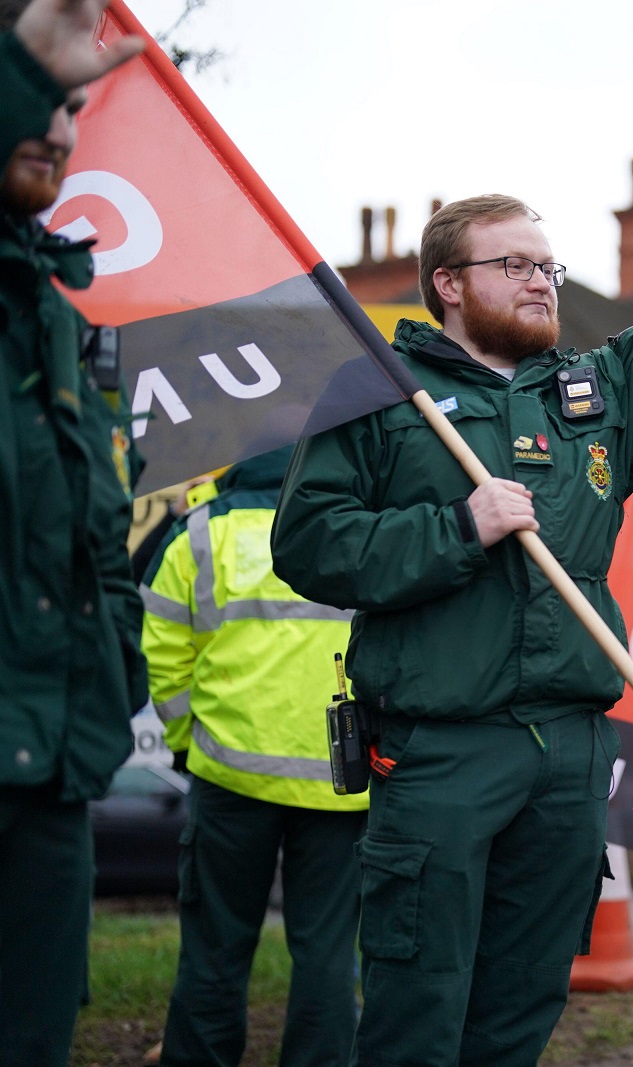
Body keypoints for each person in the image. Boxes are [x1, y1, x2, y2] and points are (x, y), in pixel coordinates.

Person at [270, 81, 633, 1066]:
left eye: (548, 264)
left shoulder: (595, 394)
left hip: (566, 751)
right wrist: (455, 526)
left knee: (520, 1005)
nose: (542, 280)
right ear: (447, 283)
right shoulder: (376, 392)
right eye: (513, 264)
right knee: (415, 1003)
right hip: (435, 751)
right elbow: (308, 545)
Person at [0, 2, 146, 1064]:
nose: (64, 128)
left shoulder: (56, 315)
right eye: (42, 105)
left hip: (52, 770)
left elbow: (94, 537)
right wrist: (23, 74)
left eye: (76, 110)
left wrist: (114, 669)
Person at [140, 446, 368, 1067]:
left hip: (230, 777)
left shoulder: (200, 532)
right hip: (339, 782)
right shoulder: (358, 527)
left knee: (215, 946)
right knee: (326, 952)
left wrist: (191, 742)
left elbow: (162, 653)